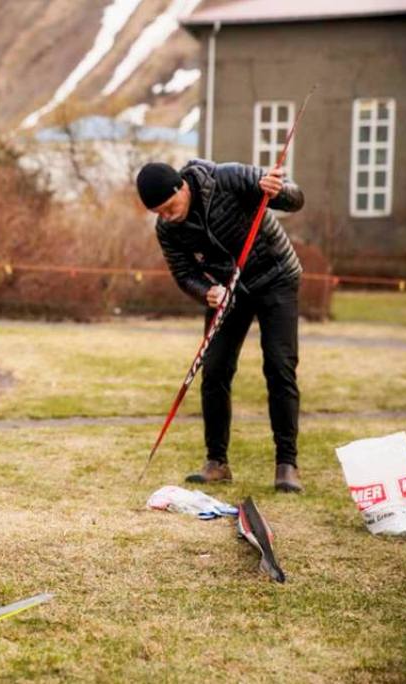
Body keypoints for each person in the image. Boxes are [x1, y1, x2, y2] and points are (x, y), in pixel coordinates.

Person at [136, 159, 305, 493]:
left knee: (279, 366)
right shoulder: (167, 229)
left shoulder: (227, 178)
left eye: (169, 207)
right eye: (159, 213)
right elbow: (184, 274)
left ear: (181, 187)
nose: (167, 217)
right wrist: (206, 292)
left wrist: (278, 191)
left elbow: (296, 199)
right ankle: (217, 463)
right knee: (213, 371)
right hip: (228, 290)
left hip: (276, 278)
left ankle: (287, 464)